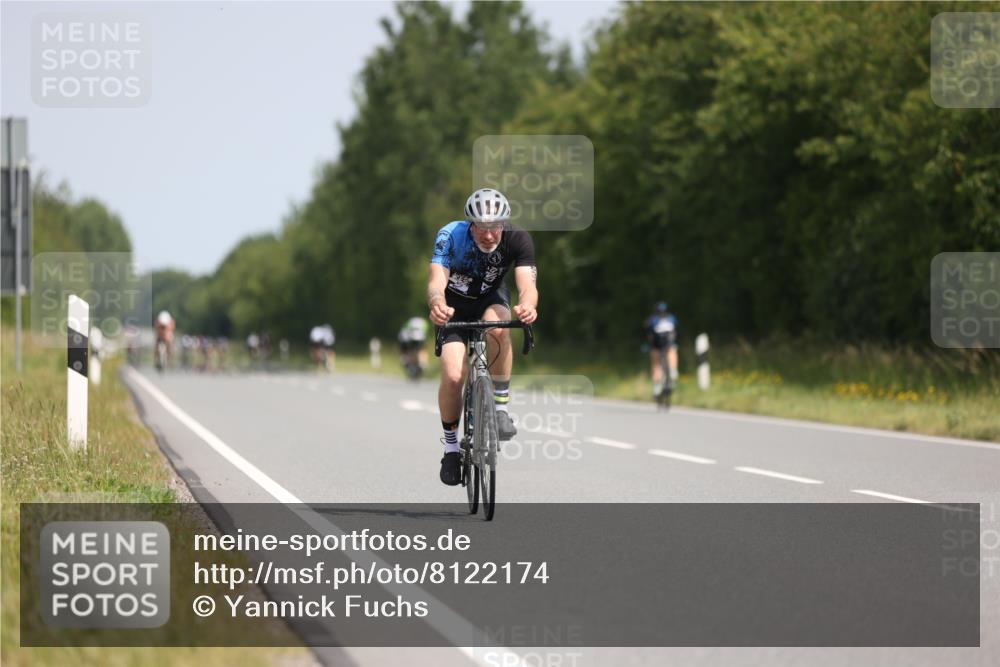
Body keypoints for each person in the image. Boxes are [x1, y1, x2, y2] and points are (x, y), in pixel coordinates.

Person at [428, 188, 538, 486]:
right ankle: (451, 448)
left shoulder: (518, 238)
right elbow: (437, 280)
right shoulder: (451, 235)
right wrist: (437, 303)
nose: (489, 235)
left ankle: (500, 407)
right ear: (470, 224)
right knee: (453, 377)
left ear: (504, 223)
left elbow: (527, 285)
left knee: (498, 325)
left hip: (491, 298)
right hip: (453, 307)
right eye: (482, 227)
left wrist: (528, 305)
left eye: (495, 227)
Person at [646, 302, 678, 400]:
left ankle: (656, 389)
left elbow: (649, 335)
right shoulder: (671, 319)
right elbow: (676, 332)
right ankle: (673, 373)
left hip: (657, 346)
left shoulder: (652, 320)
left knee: (656, 365)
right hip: (667, 346)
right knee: (672, 352)